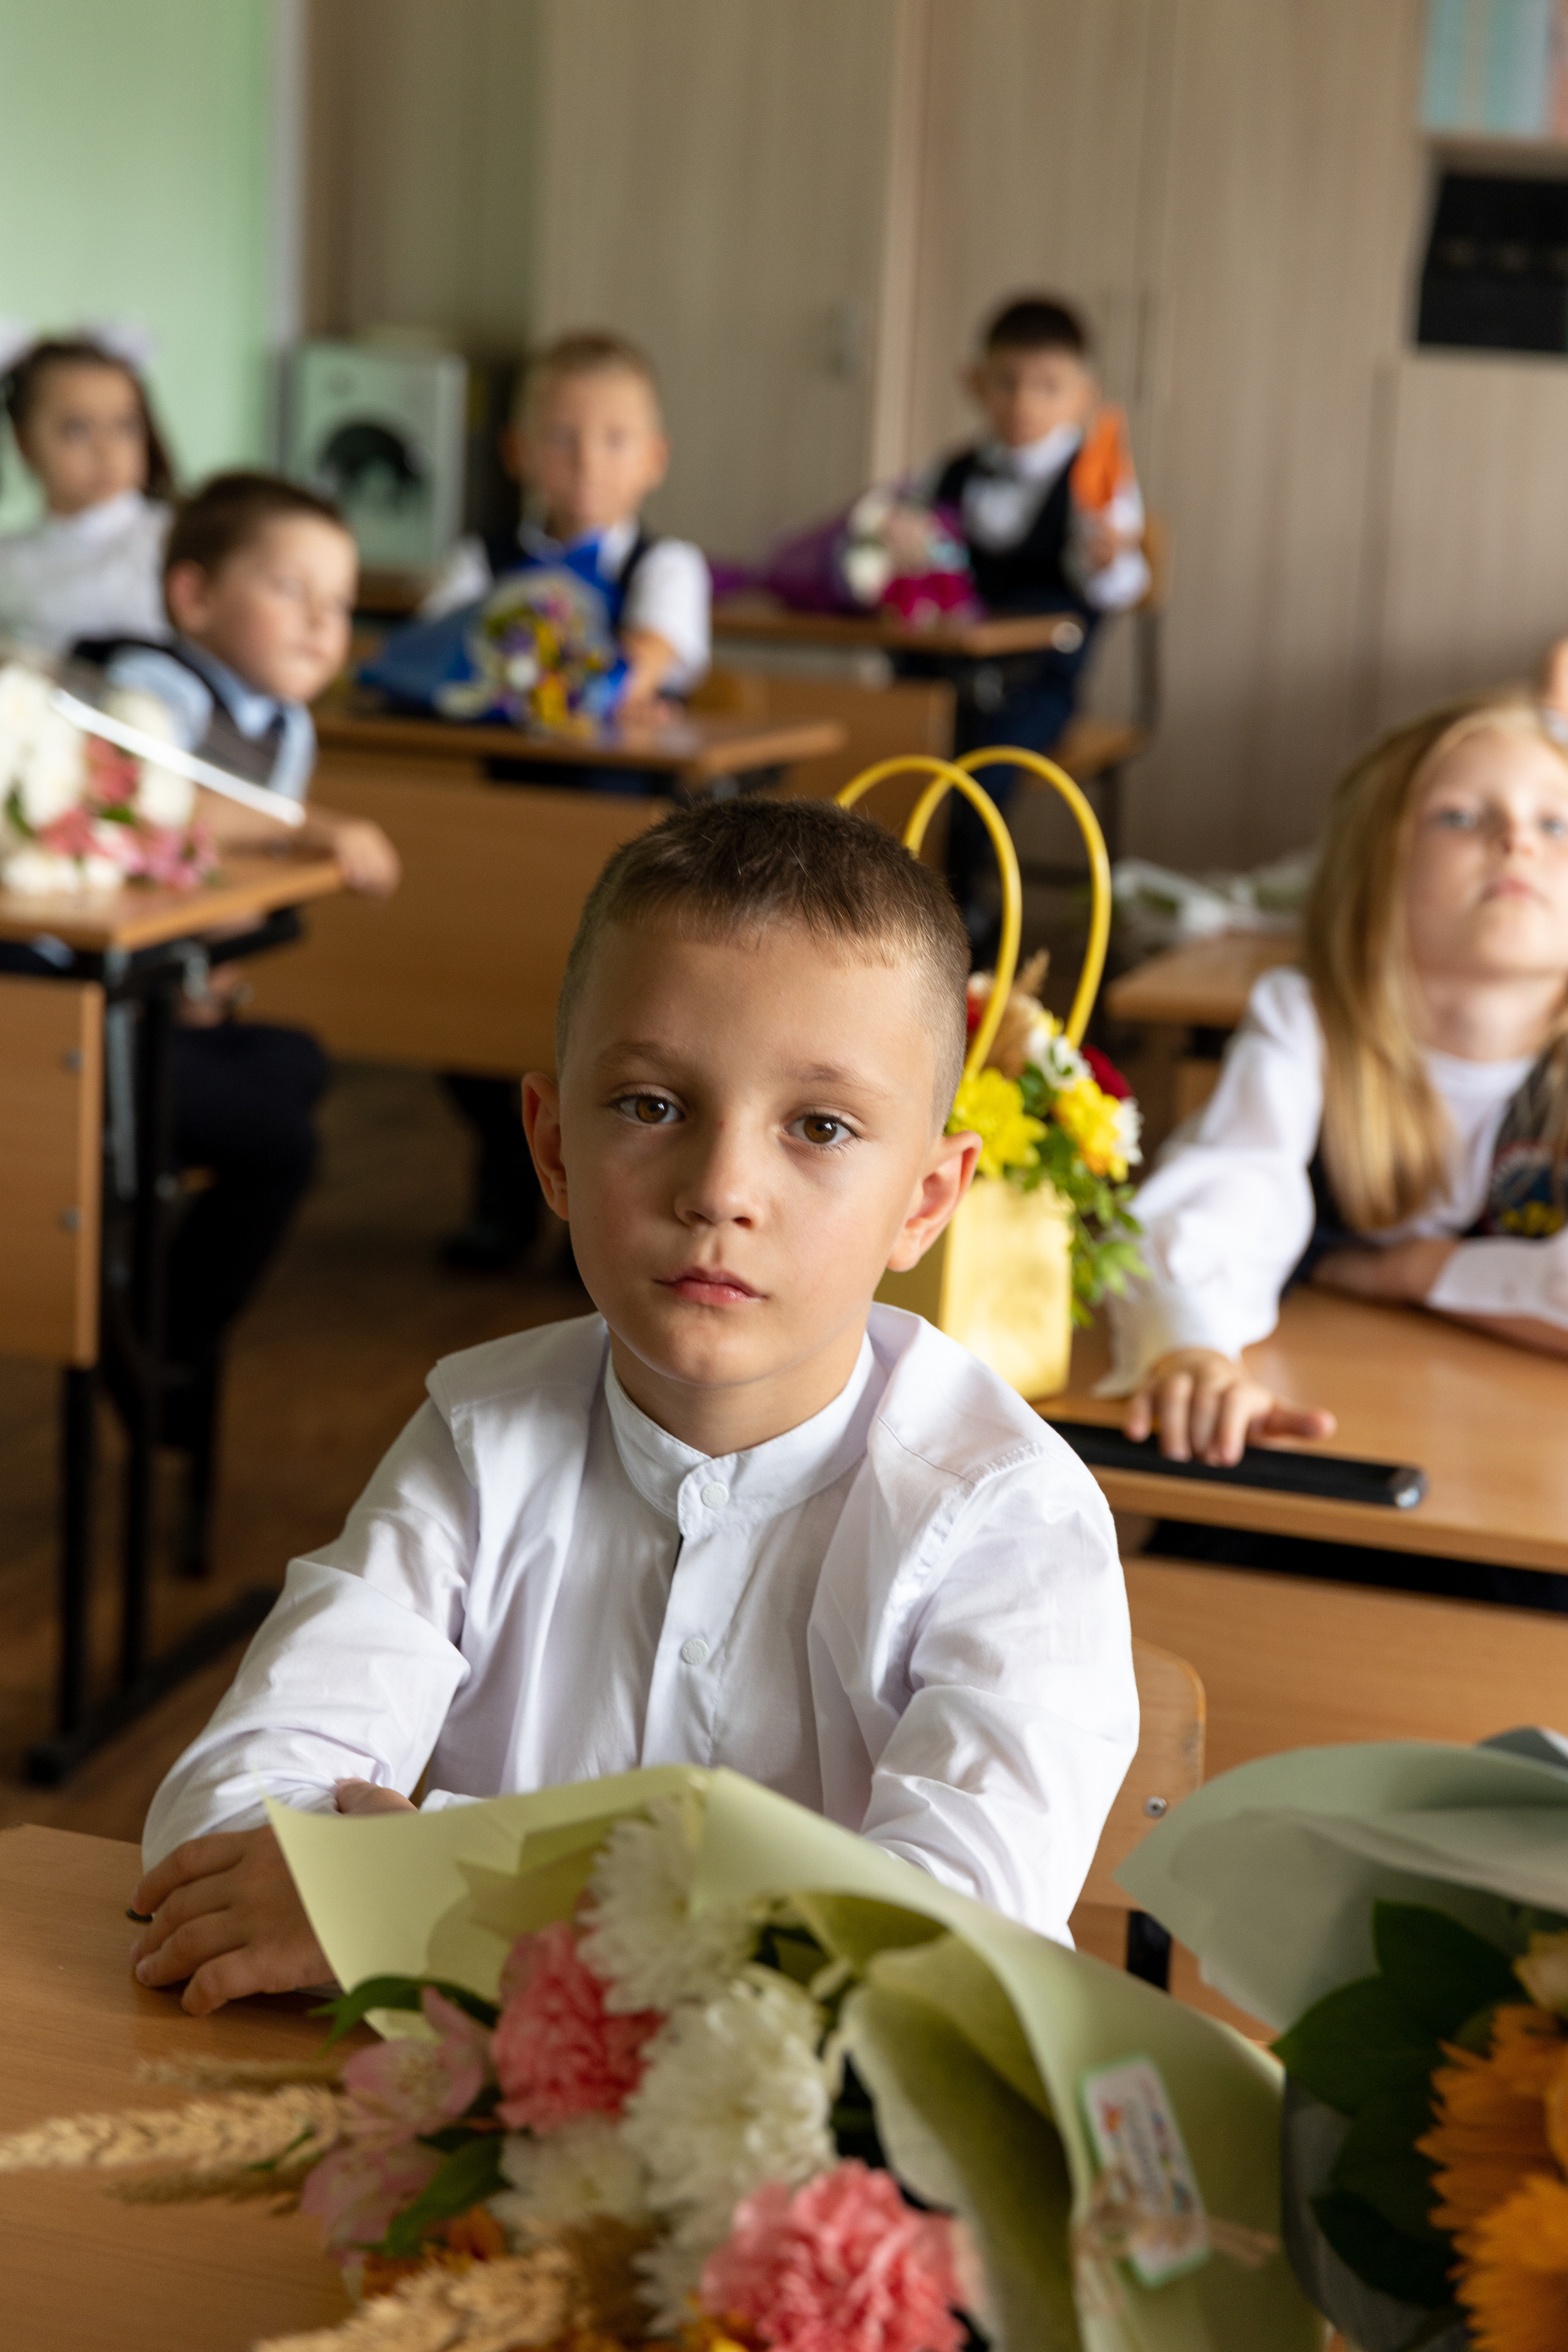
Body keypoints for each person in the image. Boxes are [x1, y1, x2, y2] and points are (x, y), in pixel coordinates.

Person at [130, 793, 1138, 2013]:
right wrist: (677, 1925)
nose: (720, 1189)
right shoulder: (479, 1438)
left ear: (924, 1202)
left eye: (819, 1127)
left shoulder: (1007, 1519)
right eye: (653, 1106)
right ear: (553, 1150)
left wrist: (430, 1896)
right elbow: (222, 1830)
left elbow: (934, 1964)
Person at [1110, 692, 1568, 1477]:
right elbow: (1218, 1203)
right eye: (1460, 816)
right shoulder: (1308, 1024)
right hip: (1318, 1443)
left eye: (1555, 824)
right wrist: (1191, 1346)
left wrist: (1409, 1271)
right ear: (1372, 871)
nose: (1515, 840)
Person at [75, 472, 399, 1447]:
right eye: (290, 590)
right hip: (86, 1024)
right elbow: (156, 802)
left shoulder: (281, 722)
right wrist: (314, 825)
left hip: (164, 1006)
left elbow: (224, 888)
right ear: (194, 597)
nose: (322, 623)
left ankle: (147, 1312)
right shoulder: (154, 689)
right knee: (282, 1147)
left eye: (340, 601)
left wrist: (207, 978)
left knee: (296, 1061)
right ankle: (149, 1343)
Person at [401, 330, 712, 1272]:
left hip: (620, 837)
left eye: (614, 439)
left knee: (613, 1027)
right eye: (562, 437)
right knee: (467, 1009)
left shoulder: (663, 566)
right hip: (496, 831)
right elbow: (431, 659)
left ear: (654, 458)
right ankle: (503, 1181)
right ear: (518, 452)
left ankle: (605, 1224)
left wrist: (611, 683)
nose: (587, 461)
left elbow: (648, 656)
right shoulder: (479, 559)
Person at [916, 295, 1150, 945]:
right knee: (896, 743)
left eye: (1047, 386)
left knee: (977, 779)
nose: (1023, 401)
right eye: (1007, 382)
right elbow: (928, 561)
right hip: (947, 679)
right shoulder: (953, 472)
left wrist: (1109, 557)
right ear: (975, 383)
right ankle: (896, 915)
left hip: (1035, 686)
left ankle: (966, 923)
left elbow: (1120, 584)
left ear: (1083, 395)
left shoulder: (1095, 481)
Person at [0, 334, 176, 651]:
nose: (106, 450)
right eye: (77, 429)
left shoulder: (175, 541)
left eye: (125, 425)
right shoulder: (8, 562)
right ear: (24, 441)